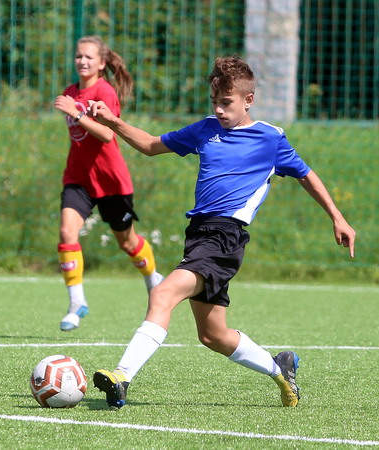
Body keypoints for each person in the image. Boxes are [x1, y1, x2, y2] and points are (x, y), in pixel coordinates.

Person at [86, 56, 356, 408]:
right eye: (214, 101)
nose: (218, 109)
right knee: (213, 335)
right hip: (198, 235)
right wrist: (112, 121)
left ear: (249, 100)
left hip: (225, 237)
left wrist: (337, 216)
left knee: (164, 293)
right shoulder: (205, 129)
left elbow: (305, 174)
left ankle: (122, 376)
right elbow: (151, 145)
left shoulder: (270, 138)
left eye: (226, 102)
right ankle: (279, 368)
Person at [53, 35, 163, 332]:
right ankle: (76, 303)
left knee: (127, 242)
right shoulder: (70, 92)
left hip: (111, 181)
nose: (82, 61)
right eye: (79, 56)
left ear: (102, 63)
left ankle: (152, 278)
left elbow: (107, 135)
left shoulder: (104, 92)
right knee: (67, 231)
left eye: (88, 57)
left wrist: (77, 113)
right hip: (78, 179)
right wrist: (75, 110)